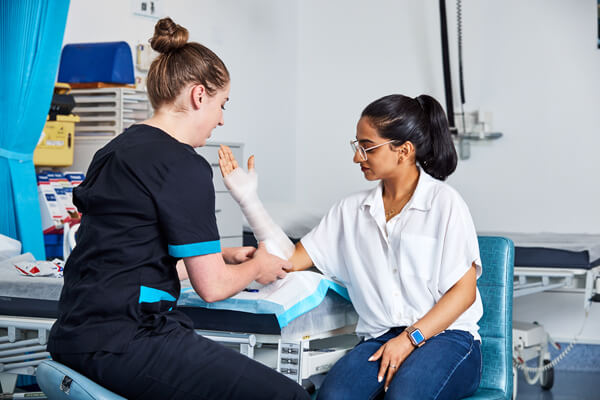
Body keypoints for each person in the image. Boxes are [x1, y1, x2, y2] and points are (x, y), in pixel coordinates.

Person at [47, 17, 310, 400]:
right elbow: (213, 287)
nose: (221, 118)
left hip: (76, 334)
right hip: (128, 340)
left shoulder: (114, 151)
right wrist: (258, 266)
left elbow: (129, 251)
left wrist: (222, 254)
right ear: (199, 96)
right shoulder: (183, 164)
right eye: (222, 104)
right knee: (290, 397)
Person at [219, 94, 483, 399]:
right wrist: (249, 200)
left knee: (406, 395)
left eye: (367, 147)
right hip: (379, 337)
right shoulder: (349, 211)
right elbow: (289, 260)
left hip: (448, 339)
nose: (357, 157)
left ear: (404, 151)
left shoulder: (445, 203)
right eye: (357, 146)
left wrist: (411, 339)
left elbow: (464, 293)